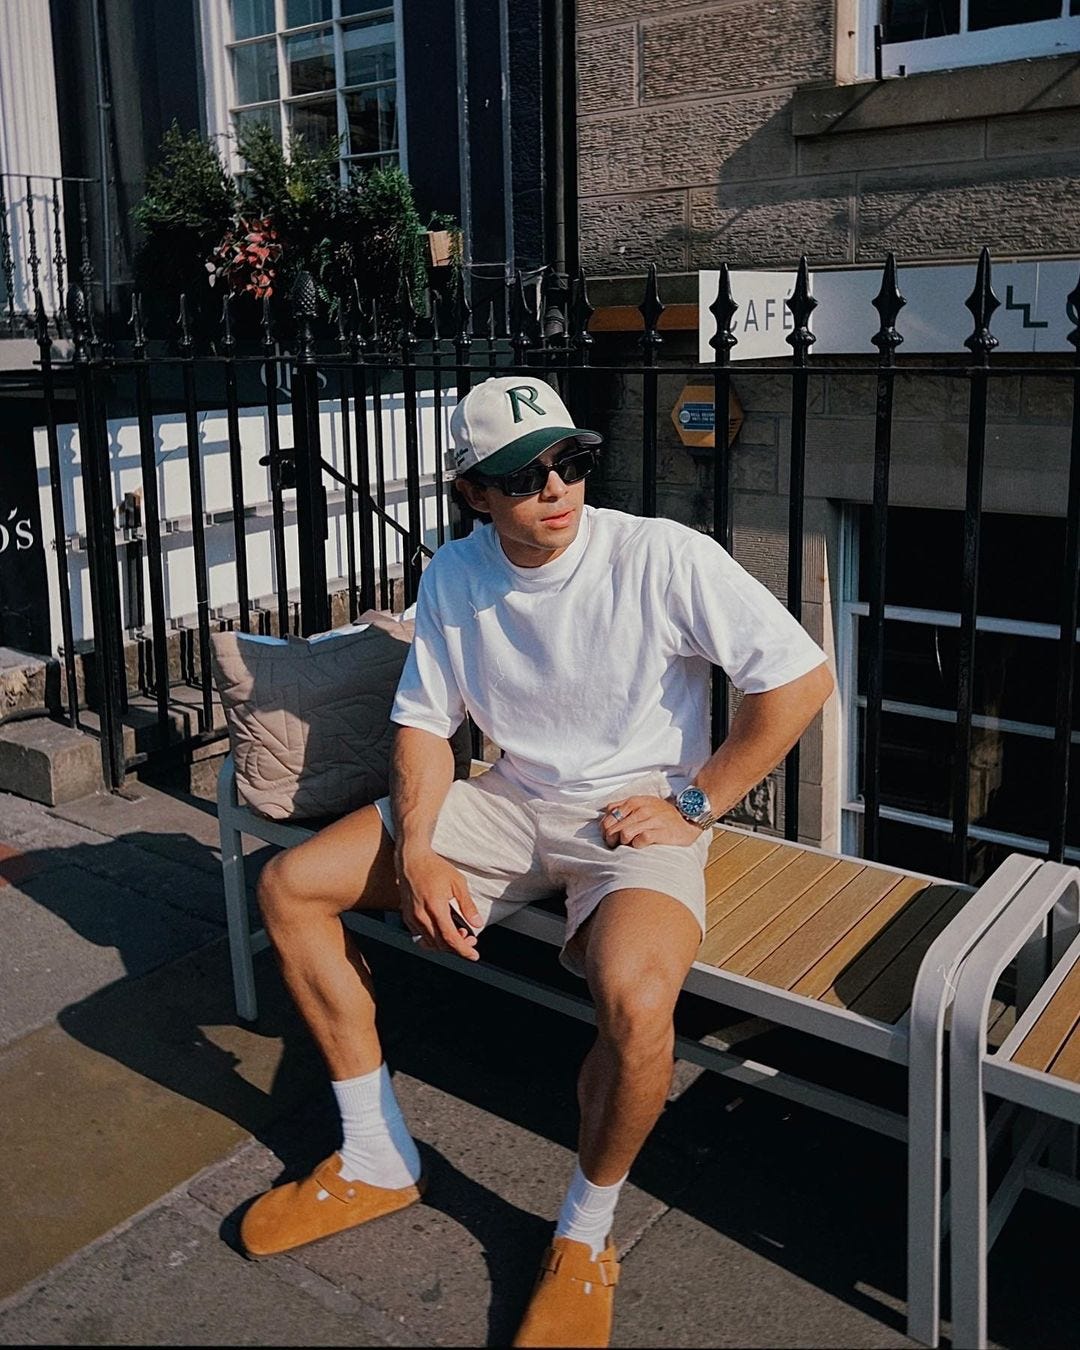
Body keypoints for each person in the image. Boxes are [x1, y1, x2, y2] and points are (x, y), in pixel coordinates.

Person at [240, 375, 833, 1347]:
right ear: (474, 491)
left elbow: (799, 678)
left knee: (639, 1006)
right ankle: (377, 1153)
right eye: (524, 474)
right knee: (291, 885)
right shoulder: (458, 576)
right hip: (509, 803)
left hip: (635, 818)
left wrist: (693, 804)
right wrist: (421, 850)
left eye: (570, 462)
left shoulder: (659, 556)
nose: (555, 488)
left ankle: (583, 1237)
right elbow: (427, 727)